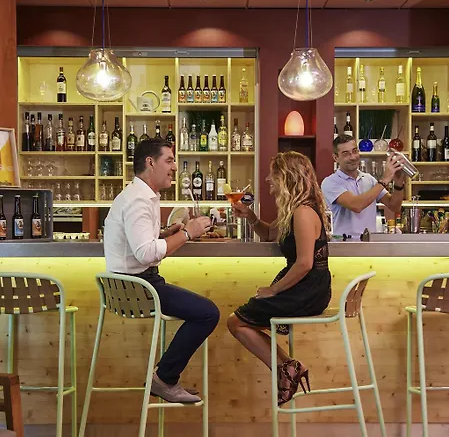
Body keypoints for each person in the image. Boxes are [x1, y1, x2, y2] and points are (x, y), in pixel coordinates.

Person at [104, 138, 219, 403]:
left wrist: (166, 234)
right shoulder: (138, 200)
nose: (174, 167)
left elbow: (139, 244)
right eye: (169, 160)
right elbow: (145, 254)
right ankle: (164, 379)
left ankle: (164, 377)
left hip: (130, 285)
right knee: (207, 313)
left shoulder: (141, 195)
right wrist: (188, 233)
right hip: (137, 288)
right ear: (150, 162)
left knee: (202, 311)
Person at [227, 151, 331, 406]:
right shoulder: (295, 210)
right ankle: (289, 367)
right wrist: (250, 216)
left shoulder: (303, 213)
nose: (267, 180)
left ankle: (286, 368)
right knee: (241, 323)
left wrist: (273, 290)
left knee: (237, 323)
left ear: (287, 178)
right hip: (306, 287)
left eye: (272, 175)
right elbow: (268, 234)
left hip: (308, 290)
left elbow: (305, 263)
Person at [321, 134, 405, 237]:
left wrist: (398, 184)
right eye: (346, 154)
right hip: (344, 244)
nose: (353, 157)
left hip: (369, 243)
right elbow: (356, 205)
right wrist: (385, 180)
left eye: (355, 151)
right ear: (336, 158)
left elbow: (394, 206)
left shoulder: (369, 179)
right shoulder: (331, 182)